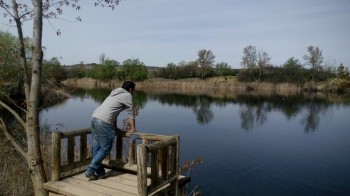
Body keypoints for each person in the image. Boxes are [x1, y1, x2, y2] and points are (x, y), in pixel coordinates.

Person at [85, 81, 136, 180]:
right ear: (130, 89)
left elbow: (114, 112)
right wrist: (133, 128)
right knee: (105, 148)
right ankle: (90, 170)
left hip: (94, 118)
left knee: (97, 147)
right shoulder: (127, 95)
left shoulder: (114, 93)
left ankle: (100, 173)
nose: (134, 92)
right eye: (134, 90)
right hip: (103, 121)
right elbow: (131, 112)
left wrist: (115, 127)